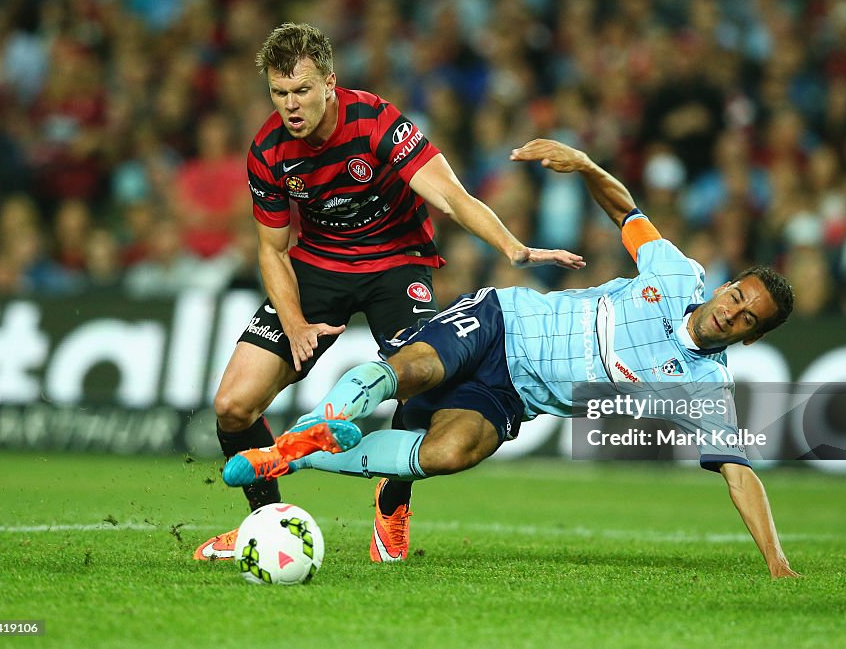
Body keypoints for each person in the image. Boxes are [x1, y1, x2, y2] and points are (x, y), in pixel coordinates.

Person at [223, 139, 801, 579]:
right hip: (504, 321)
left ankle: (287, 455)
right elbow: (627, 213)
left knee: (449, 452)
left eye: (749, 317)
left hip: (514, 394)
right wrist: (587, 166)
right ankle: (324, 424)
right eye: (737, 295)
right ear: (727, 285)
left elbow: (740, 474)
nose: (732, 311)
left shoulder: (704, 386)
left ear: (752, 337)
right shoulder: (678, 273)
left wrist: (776, 562)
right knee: (415, 369)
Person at [194, 25, 584, 561]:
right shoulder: (268, 150)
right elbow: (273, 250)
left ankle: (392, 501)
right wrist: (295, 324)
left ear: (330, 82)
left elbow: (450, 196)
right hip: (319, 269)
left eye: (302, 90)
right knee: (232, 406)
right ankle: (264, 522)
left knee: (420, 380)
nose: (291, 105)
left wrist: (513, 248)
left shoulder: (377, 123)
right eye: (280, 94)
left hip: (398, 264)